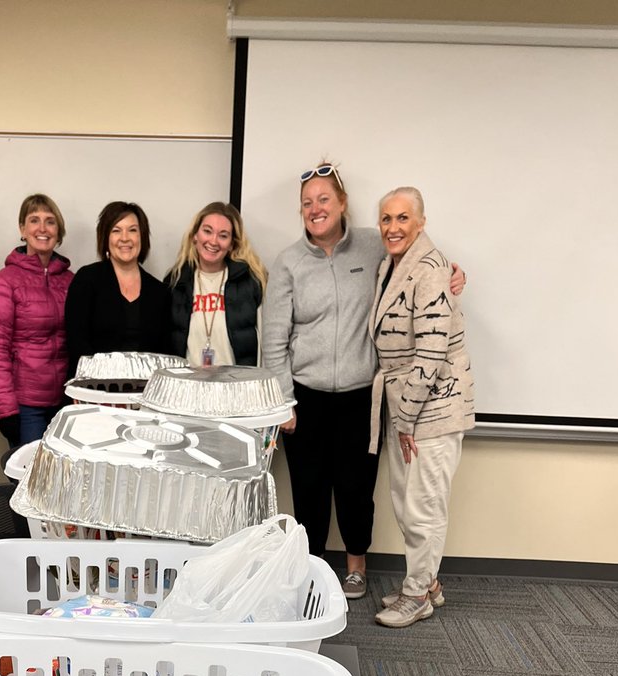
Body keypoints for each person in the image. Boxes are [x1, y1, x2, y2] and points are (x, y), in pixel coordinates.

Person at [262, 162, 465, 600]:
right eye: (307, 203)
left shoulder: (374, 246)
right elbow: (273, 339)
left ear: (342, 204)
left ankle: (356, 566)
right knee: (310, 491)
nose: (316, 209)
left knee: (356, 489)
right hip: (307, 398)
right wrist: (284, 401)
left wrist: (453, 272)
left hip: (362, 398)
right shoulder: (288, 263)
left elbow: (418, 262)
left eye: (324, 200)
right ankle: (310, 567)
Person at [369, 187, 475, 628]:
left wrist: (407, 417)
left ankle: (417, 596)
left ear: (421, 222)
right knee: (406, 500)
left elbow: (431, 354)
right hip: (407, 405)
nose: (393, 228)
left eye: (403, 219)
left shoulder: (430, 269)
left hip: (432, 407)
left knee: (423, 505)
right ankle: (427, 581)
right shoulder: (390, 265)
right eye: (386, 219)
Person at [0, 194, 73, 450]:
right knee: (28, 485)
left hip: (64, 404)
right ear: (22, 229)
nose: (42, 228)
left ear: (58, 231)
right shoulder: (4, 282)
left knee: (63, 485)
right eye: (34, 220)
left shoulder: (72, 281)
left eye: (50, 222)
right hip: (25, 407)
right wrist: (7, 410)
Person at [64, 201, 170, 375]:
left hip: (143, 395)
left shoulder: (159, 292)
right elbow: (77, 343)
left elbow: (164, 353)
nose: (125, 238)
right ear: (106, 238)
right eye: (116, 230)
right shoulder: (87, 279)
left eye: (133, 230)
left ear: (142, 237)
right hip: (92, 391)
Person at [168, 201, 267, 366]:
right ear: (195, 236)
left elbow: (265, 345)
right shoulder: (176, 282)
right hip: (189, 387)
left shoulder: (251, 283)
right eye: (207, 231)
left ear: (231, 244)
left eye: (223, 235)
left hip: (236, 387)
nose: (213, 241)